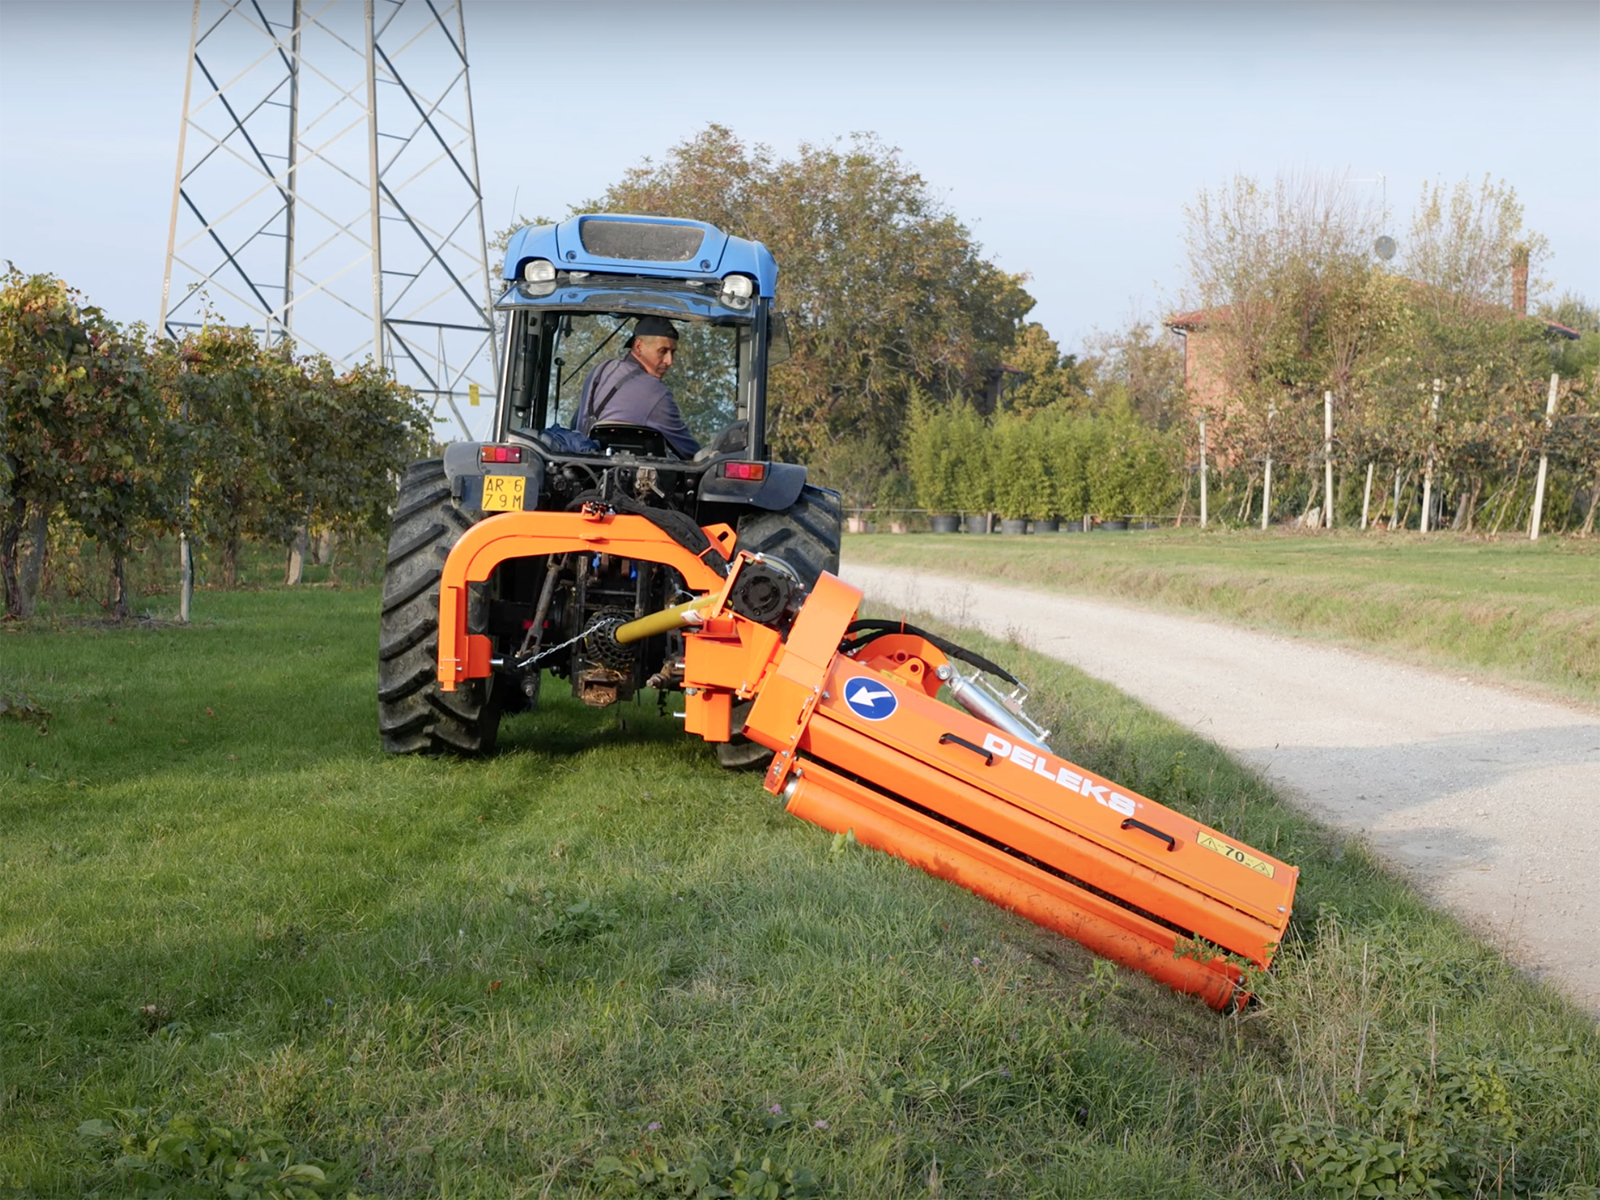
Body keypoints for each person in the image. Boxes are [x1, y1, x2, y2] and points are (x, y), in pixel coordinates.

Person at [574, 316, 698, 458]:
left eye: (673, 352)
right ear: (639, 346)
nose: (669, 361)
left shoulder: (600, 370)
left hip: (581, 465)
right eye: (662, 351)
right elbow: (689, 452)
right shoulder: (655, 391)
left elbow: (577, 422)